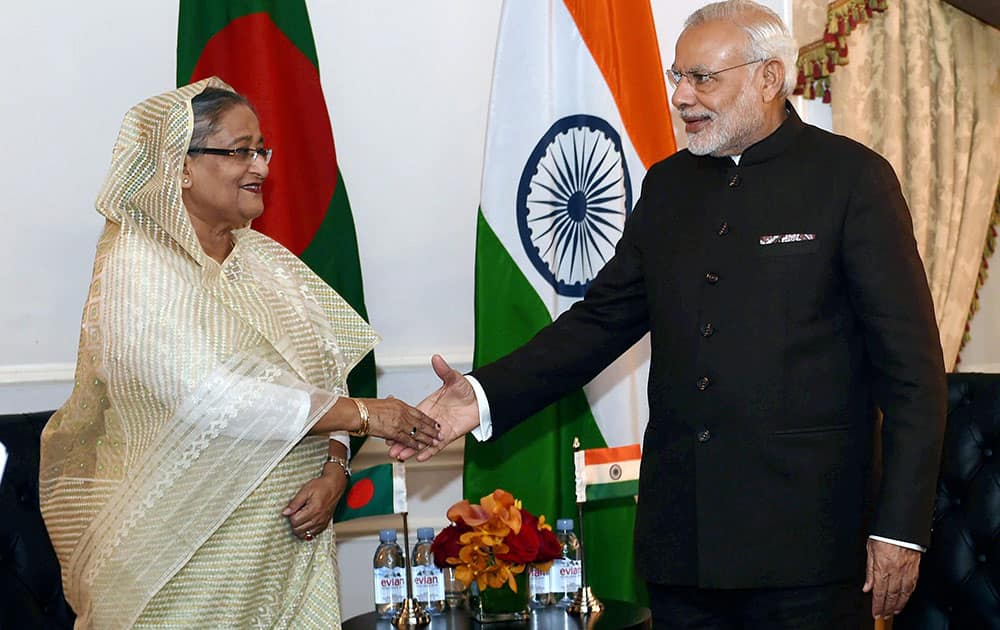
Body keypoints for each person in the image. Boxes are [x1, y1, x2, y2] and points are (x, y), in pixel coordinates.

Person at [396, 1, 947, 627]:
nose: (682, 96)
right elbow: (599, 322)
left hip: (808, 546)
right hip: (682, 544)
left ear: (768, 78)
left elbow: (912, 376)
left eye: (703, 78)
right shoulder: (667, 186)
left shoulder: (852, 179)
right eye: (676, 76)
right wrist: (478, 396)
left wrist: (901, 531)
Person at [39, 78, 440, 629]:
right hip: (180, 560)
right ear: (179, 165)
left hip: (286, 551)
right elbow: (205, 394)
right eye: (238, 151)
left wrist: (336, 467)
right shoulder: (138, 266)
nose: (261, 168)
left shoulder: (267, 262)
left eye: (261, 150)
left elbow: (325, 375)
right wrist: (369, 415)